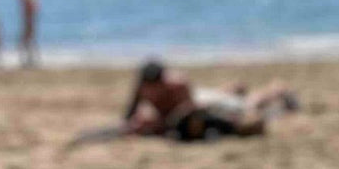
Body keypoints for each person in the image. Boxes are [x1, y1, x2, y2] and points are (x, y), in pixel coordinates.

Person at [123, 60, 299, 141]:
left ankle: (277, 90)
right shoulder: (143, 86)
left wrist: (160, 124)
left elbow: (190, 110)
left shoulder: (177, 83)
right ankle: (235, 88)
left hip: (201, 103)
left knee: (246, 105)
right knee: (228, 97)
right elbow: (131, 111)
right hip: (195, 103)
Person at [17, 0, 40, 67]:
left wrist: (28, 26)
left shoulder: (28, 4)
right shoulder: (29, 3)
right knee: (29, 43)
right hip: (29, 24)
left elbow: (29, 17)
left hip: (29, 25)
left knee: (26, 43)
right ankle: (30, 61)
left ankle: (29, 61)